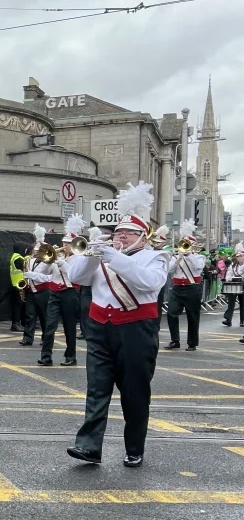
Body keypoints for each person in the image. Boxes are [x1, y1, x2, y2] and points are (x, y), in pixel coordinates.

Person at [66, 181, 168, 468]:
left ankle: (134, 447)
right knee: (96, 389)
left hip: (136, 330)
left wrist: (117, 258)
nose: (120, 237)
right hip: (100, 328)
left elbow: (150, 284)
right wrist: (93, 255)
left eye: (127, 233)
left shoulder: (156, 257)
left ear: (142, 236)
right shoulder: (104, 254)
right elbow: (78, 277)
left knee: (135, 392)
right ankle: (88, 447)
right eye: (118, 232)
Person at [39, 214, 85, 367]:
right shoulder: (57, 257)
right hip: (54, 293)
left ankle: (71, 356)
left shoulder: (79, 259)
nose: (64, 246)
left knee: (69, 326)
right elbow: (44, 272)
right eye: (64, 243)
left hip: (70, 293)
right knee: (49, 325)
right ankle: (46, 356)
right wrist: (49, 260)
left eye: (68, 244)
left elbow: (74, 275)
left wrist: (61, 263)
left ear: (74, 245)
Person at [165, 219, 204, 351]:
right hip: (177, 289)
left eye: (188, 244)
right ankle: (175, 340)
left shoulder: (199, 257)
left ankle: (192, 343)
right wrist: (178, 258)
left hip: (192, 288)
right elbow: (169, 270)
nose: (185, 246)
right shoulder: (176, 257)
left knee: (192, 316)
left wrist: (188, 255)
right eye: (184, 244)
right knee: (171, 313)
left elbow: (198, 268)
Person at [20, 225, 52, 347]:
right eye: (36, 250)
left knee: (44, 317)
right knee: (29, 315)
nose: (36, 252)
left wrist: (31, 275)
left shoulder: (48, 262)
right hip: (31, 291)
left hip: (43, 291)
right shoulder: (29, 260)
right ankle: (28, 338)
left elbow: (47, 278)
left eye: (39, 250)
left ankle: (45, 338)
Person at [150, 225, 170, 331]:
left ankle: (156, 326)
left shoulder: (165, 253)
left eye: (159, 242)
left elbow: (169, 268)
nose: (156, 244)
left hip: (160, 282)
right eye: (155, 241)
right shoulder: (149, 251)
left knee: (157, 305)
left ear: (163, 243)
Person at [222, 243, 244, 326]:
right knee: (231, 303)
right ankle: (228, 319)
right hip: (234, 285)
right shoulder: (233, 265)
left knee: (243, 303)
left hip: (243, 285)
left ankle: (242, 321)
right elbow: (229, 273)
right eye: (238, 256)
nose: (239, 258)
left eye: (241, 256)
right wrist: (229, 278)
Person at [8, 242, 27, 332]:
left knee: (18, 305)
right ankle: (15, 324)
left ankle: (18, 323)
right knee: (17, 306)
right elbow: (26, 269)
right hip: (18, 285)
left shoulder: (15, 256)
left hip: (16, 284)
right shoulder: (18, 258)